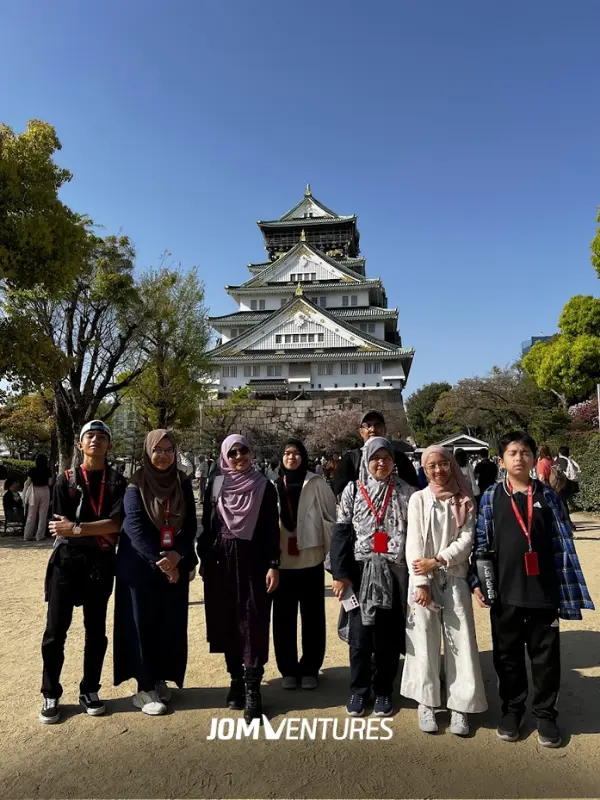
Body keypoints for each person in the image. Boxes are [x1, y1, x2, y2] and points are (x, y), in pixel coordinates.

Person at [471, 431, 594, 748]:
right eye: (512, 452)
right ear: (502, 460)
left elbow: (562, 542)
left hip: (544, 592)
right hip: (505, 592)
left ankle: (545, 715)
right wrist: (479, 583)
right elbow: (481, 544)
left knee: (546, 658)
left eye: (525, 452)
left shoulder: (549, 496)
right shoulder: (491, 497)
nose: (519, 457)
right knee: (507, 657)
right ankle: (512, 710)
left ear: (533, 458)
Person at [40, 421, 126, 724]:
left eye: (103, 437)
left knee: (96, 633)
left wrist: (77, 528)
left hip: (100, 566)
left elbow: (117, 526)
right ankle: (50, 691)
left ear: (109, 446)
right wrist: (96, 530)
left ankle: (90, 689)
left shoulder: (118, 482)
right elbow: (57, 526)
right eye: (90, 436)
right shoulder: (65, 480)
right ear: (80, 444)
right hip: (65, 563)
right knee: (54, 633)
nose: (96, 441)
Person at [401, 446, 487, 736]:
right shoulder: (418, 499)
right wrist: (421, 581)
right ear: (424, 470)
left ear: (451, 465)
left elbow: (467, 540)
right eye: (431, 467)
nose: (438, 470)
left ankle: (460, 705)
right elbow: (412, 543)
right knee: (423, 639)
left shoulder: (464, 499)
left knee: (460, 640)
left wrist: (438, 560)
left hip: (454, 576)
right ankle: (427, 701)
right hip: (423, 578)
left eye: (442, 464)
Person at [114, 430, 197, 715]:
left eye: (169, 449)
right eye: (157, 450)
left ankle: (159, 677)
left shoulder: (182, 482)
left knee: (167, 624)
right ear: (147, 452)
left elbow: (191, 525)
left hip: (172, 562)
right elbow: (134, 528)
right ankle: (144, 687)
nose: (163, 455)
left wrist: (179, 555)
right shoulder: (135, 483)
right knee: (141, 625)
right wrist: (164, 563)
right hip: (140, 566)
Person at [330, 437, 415, 718]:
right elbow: (341, 533)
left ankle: (383, 690)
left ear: (394, 461)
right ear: (366, 460)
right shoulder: (352, 490)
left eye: (386, 458)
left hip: (393, 571)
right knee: (360, 635)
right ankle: (358, 689)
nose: (381, 463)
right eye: (375, 458)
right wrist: (341, 574)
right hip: (360, 570)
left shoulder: (406, 492)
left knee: (387, 636)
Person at [199, 435, 280, 723]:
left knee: (254, 620)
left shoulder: (264, 486)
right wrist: (204, 560)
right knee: (228, 619)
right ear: (224, 455)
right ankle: (235, 680)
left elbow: (272, 527)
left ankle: (252, 690)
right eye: (232, 453)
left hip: (255, 559)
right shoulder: (217, 484)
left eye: (243, 450)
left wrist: (273, 564)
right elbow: (208, 525)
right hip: (221, 561)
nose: (238, 457)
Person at [273, 439, 336, 690]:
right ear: (281, 457)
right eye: (287, 453)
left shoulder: (316, 482)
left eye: (297, 453)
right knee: (283, 617)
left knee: (313, 616)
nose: (292, 457)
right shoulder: (274, 484)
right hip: (282, 559)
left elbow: (330, 514)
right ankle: (288, 668)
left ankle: (310, 667)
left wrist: (327, 548)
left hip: (311, 557)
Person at [332, 410, 418, 497]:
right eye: (367, 425)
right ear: (361, 432)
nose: (373, 429)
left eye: (378, 425)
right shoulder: (351, 459)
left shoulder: (400, 458)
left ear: (385, 430)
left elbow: (413, 490)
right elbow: (340, 494)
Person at [24, 454, 53, 541]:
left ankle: (27, 535)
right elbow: (50, 482)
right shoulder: (48, 470)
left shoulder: (32, 470)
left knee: (31, 514)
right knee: (43, 515)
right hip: (44, 491)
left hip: (34, 491)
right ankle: (39, 536)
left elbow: (27, 482)